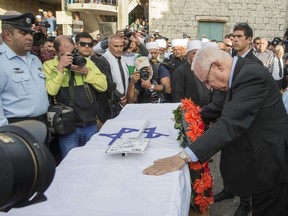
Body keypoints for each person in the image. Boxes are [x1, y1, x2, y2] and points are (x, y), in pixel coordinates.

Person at [143, 45, 288, 216]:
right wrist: (189, 118)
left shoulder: (251, 75)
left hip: (270, 163)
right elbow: (220, 106)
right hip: (258, 159)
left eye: (207, 80)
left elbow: (229, 124)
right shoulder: (237, 73)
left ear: (218, 65)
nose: (209, 86)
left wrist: (183, 157)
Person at [213, 22, 264, 216]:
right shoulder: (231, 59)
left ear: (249, 39)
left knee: (244, 163)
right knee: (228, 158)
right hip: (229, 116)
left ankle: (245, 202)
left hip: (244, 122)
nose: (234, 39)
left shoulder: (254, 64)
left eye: (239, 36)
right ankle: (229, 189)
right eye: (233, 36)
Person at [43, 35, 107, 158]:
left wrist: (87, 72)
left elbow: (103, 86)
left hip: (90, 123)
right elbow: (51, 91)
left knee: (92, 160)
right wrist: (60, 69)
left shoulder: (86, 63)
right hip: (67, 127)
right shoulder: (48, 65)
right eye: (64, 54)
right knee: (70, 163)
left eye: (72, 53)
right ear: (56, 52)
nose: (70, 57)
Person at [0, 11, 49, 126]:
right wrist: (5, 133)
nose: (29, 37)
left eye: (30, 33)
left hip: (42, 123)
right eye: (23, 33)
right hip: (16, 126)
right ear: (7, 35)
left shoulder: (35, 59)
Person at [94, 34, 129, 119]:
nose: (119, 49)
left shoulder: (122, 59)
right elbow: (107, 84)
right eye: (116, 46)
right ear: (109, 46)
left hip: (123, 101)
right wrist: (120, 98)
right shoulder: (103, 60)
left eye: (121, 46)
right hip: (110, 104)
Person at [172, 40, 210, 106]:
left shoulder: (205, 69)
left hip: (207, 110)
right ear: (188, 54)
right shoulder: (180, 72)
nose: (197, 55)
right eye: (194, 53)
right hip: (190, 112)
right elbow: (177, 96)